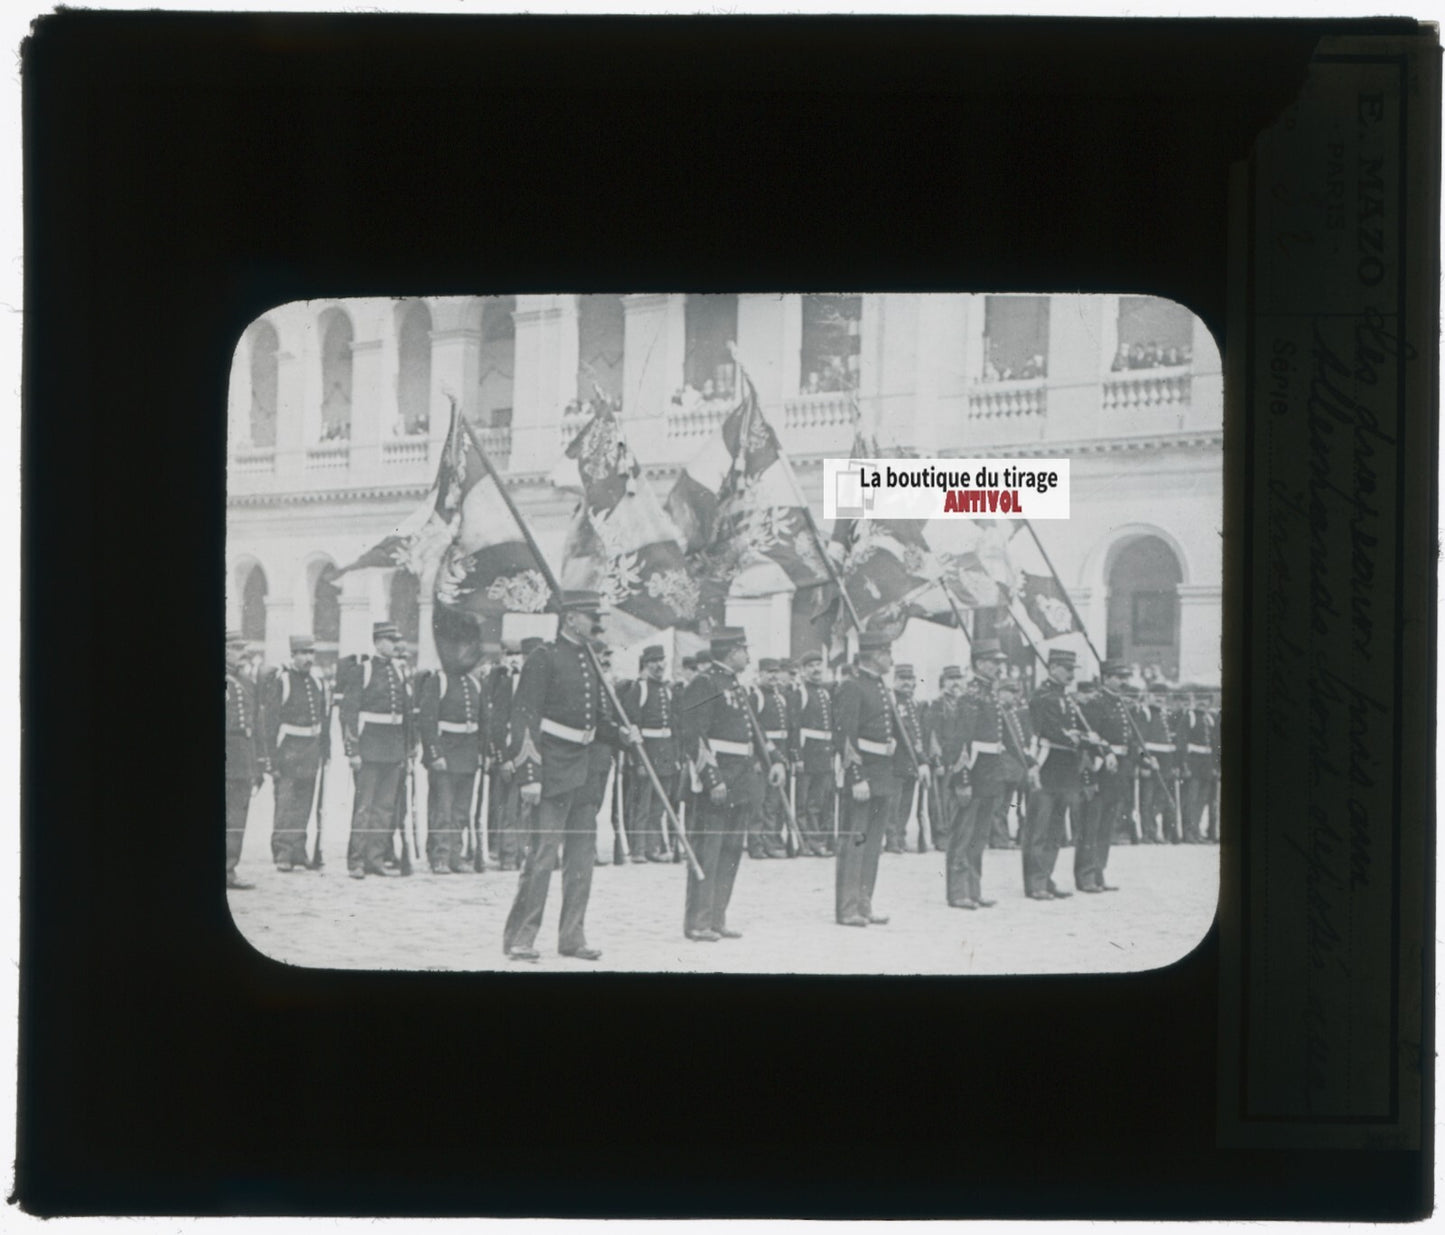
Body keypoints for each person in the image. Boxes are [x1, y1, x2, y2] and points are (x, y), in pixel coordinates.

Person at [501, 592, 640, 962]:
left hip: (586, 772)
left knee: (581, 860)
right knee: (543, 856)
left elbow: (597, 721)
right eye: (591, 617)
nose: (598, 624)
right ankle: (521, 937)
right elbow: (524, 717)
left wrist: (621, 735)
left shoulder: (590, 659)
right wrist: (529, 774)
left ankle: (572, 937)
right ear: (570, 619)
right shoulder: (543, 657)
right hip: (552, 769)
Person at [677, 627, 786, 942]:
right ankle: (698, 922)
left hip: (741, 780)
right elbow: (693, 735)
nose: (748, 656)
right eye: (744, 650)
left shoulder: (735, 685)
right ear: (731, 651)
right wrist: (712, 778)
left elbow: (755, 732)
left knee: (730, 851)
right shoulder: (705, 683)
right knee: (708, 852)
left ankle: (717, 918)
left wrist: (775, 760)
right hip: (719, 780)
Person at [833, 631, 906, 927]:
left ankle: (864, 903)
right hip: (863, 776)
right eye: (888, 654)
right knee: (856, 842)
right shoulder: (852, 687)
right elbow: (845, 736)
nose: (892, 660)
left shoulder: (879, 686)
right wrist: (857, 777)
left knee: (873, 844)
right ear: (875, 655)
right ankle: (848, 907)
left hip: (882, 774)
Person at [339, 622, 413, 879]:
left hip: (393, 750)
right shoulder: (363, 670)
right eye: (391, 641)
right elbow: (348, 713)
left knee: (384, 808)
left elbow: (406, 716)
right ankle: (356, 861)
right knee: (364, 807)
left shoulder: (398, 672)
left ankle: (375, 859)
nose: (396, 645)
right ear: (378, 642)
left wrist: (407, 751)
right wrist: (353, 751)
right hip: (369, 749)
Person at [945, 641, 1010, 909]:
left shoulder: (988, 695)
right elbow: (961, 741)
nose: (998, 668)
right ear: (980, 663)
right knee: (963, 835)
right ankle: (958, 891)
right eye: (994, 662)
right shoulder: (971, 696)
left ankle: (974, 889)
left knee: (979, 837)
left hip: (988, 775)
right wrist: (962, 780)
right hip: (972, 774)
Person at [1022, 649, 1088, 902]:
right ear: (1052, 668)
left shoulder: (1065, 698)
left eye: (1072, 670)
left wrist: (1078, 736)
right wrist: (1075, 736)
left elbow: (1072, 729)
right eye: (1067, 669)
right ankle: (1035, 882)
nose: (1071, 675)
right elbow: (1048, 729)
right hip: (1046, 766)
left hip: (1065, 770)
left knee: (1055, 830)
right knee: (1039, 828)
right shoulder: (1041, 697)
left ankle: (1046, 877)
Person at [262, 634, 329, 872]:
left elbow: (324, 718)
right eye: (303, 653)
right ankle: (283, 851)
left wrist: (325, 750)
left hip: (311, 749)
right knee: (286, 803)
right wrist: (271, 759)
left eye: (311, 653)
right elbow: (270, 722)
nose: (308, 658)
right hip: (288, 749)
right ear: (293, 655)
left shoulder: (317, 681)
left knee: (305, 802)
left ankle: (299, 851)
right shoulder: (283, 680)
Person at [418, 659, 488, 874]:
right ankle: (440, 856)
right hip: (446, 752)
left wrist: (482, 753)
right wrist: (435, 753)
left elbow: (483, 721)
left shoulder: (474, 683)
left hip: (468, 753)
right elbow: (427, 720)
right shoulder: (439, 680)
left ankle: (455, 856)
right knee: (443, 808)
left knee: (461, 810)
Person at [1076, 661, 1138, 892]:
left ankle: (1099, 872)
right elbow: (1089, 737)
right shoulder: (1095, 703)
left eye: (1125, 677)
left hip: (1118, 770)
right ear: (1105, 678)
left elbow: (1129, 740)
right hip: (1099, 769)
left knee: (1107, 824)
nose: (1124, 682)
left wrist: (1140, 759)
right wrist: (1105, 753)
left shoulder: (1120, 703)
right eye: (1118, 677)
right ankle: (1086, 875)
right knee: (1092, 823)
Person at [616, 645, 678, 863]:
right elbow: (631, 726)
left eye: (662, 660)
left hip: (665, 754)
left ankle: (653, 848)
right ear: (646, 664)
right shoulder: (639, 689)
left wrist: (674, 757)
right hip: (646, 753)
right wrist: (638, 760)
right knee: (641, 804)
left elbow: (673, 727)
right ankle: (638, 850)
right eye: (654, 661)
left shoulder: (667, 690)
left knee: (658, 806)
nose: (659, 665)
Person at [225, 630, 268, 890]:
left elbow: (255, 724)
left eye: (243, 648)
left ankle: (228, 869)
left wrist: (259, 762)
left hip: (242, 758)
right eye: (237, 648)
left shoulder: (247, 682)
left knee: (237, 816)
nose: (243, 653)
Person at [748, 658, 793, 860]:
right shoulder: (756, 697)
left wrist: (783, 758)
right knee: (759, 802)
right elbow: (751, 730)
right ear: (760, 674)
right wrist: (754, 760)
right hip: (761, 756)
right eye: (769, 672)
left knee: (774, 802)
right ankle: (756, 844)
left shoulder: (780, 697)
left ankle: (771, 840)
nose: (773, 676)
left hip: (778, 754)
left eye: (776, 672)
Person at [793, 651, 836, 857]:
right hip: (807, 753)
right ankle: (807, 841)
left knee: (819, 801)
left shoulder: (825, 693)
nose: (816, 669)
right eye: (811, 666)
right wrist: (797, 757)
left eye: (819, 665)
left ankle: (819, 839)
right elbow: (794, 727)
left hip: (823, 753)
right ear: (803, 671)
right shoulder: (800, 693)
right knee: (804, 802)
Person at [926, 665, 968, 852]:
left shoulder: (965, 705)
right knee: (940, 800)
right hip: (943, 759)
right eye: (951, 679)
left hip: (961, 759)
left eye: (958, 679)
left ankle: (957, 836)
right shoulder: (937, 705)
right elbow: (932, 735)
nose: (955, 683)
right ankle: (941, 836)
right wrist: (937, 761)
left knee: (959, 799)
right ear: (943, 682)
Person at [1137, 684, 1180, 843]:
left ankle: (1156, 831)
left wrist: (1174, 764)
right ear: (1148, 696)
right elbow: (1138, 742)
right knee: (1147, 798)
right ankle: (1147, 832)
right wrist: (1144, 762)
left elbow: (1171, 743)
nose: (1160, 699)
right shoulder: (1145, 713)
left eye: (1162, 696)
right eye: (1156, 695)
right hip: (1151, 761)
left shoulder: (1165, 714)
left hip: (1166, 763)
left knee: (1160, 799)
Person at [1174, 686, 1217, 844]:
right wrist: (1184, 764)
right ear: (1194, 700)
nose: (1202, 703)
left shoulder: (1211, 718)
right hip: (1193, 762)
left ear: (1210, 702)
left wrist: (1215, 766)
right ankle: (1188, 832)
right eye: (1199, 699)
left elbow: (1215, 744)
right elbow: (1181, 741)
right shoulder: (1189, 716)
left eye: (1206, 700)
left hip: (1207, 764)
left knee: (1202, 799)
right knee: (1191, 798)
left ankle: (1196, 830)